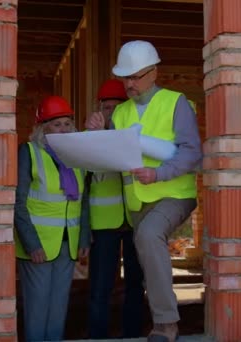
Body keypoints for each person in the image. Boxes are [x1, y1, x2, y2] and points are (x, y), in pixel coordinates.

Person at [86, 40, 202, 342]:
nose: (129, 83)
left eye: (135, 76)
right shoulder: (121, 112)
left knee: (149, 235)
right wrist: (97, 135)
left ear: (153, 73)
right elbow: (111, 156)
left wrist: (159, 173)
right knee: (145, 252)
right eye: (125, 77)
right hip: (137, 201)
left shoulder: (176, 103)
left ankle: (166, 324)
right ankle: (151, 321)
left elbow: (192, 153)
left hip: (174, 193)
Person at [14, 95, 91, 342]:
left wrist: (84, 239)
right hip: (38, 246)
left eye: (67, 123)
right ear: (42, 128)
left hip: (68, 244)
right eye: (56, 124)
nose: (63, 129)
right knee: (37, 309)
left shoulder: (77, 157)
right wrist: (31, 243)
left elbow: (83, 200)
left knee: (59, 308)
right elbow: (18, 202)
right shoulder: (29, 153)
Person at [87, 79, 145, 339]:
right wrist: (96, 137)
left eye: (116, 107)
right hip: (104, 225)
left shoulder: (138, 134)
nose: (111, 112)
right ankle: (98, 335)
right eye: (107, 107)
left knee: (136, 283)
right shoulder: (90, 138)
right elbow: (83, 176)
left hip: (135, 220)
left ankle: (132, 334)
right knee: (101, 286)